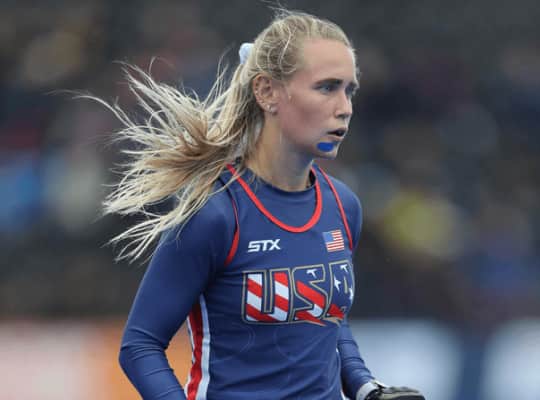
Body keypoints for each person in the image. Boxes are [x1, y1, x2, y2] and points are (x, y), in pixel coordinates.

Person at [102, 9, 426, 400]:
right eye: (326, 88)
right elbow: (140, 347)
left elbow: (327, 320)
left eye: (349, 90)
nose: (345, 107)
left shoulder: (343, 206)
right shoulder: (216, 213)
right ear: (267, 92)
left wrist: (365, 388)